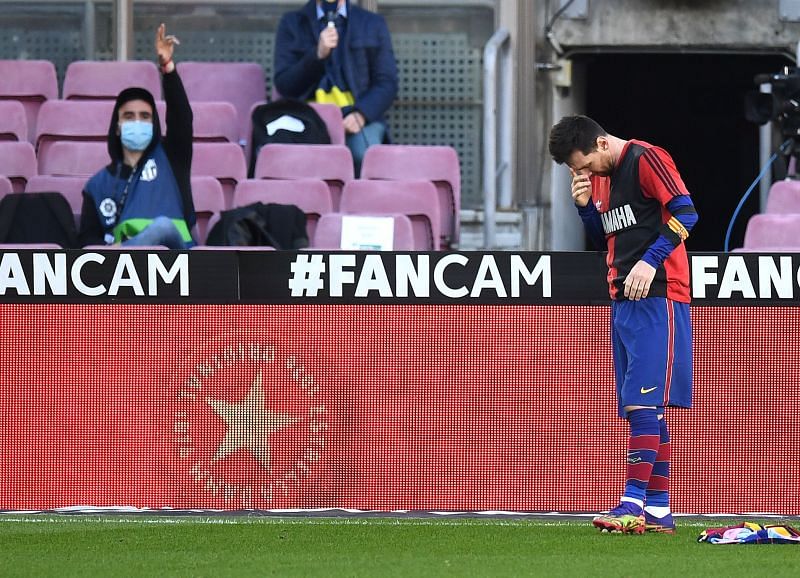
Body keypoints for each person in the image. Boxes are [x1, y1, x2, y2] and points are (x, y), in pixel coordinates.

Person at [548, 115, 699, 534]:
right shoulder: (598, 181)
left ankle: (630, 502)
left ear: (601, 143)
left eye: (584, 166)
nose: (582, 175)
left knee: (641, 404)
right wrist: (583, 212)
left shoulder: (646, 158)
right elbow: (608, 239)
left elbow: (686, 214)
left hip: (659, 294)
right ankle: (658, 511)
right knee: (643, 410)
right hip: (623, 299)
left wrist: (651, 263)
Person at [78, 23, 196, 249]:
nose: (137, 122)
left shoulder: (171, 158)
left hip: (180, 261)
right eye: (129, 116)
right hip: (127, 273)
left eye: (145, 116)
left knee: (162, 226)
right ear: (117, 126)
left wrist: (168, 68)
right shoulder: (98, 185)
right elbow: (86, 240)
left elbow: (182, 119)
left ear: (154, 124)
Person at [273, 0, 398, 175]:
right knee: (286, 158)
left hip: (356, 116)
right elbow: (285, 85)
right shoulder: (293, 23)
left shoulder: (372, 24)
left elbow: (387, 83)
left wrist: (362, 114)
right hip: (308, 118)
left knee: (364, 154)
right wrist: (317, 55)